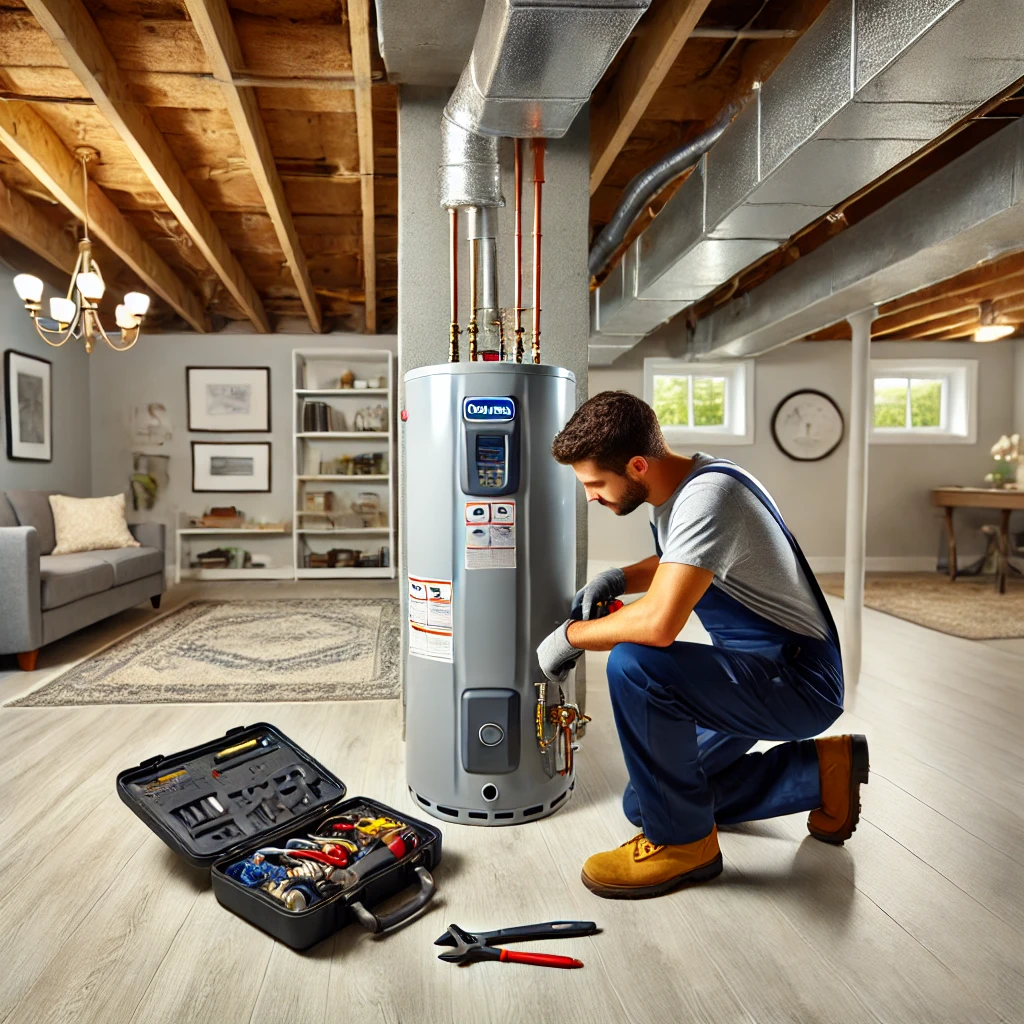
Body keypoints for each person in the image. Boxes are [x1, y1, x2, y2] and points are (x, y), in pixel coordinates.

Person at [537, 391, 868, 900]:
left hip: (796, 680)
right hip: (756, 672)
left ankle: (685, 845)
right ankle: (820, 774)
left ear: (638, 465)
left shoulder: (709, 497)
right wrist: (617, 578)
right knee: (645, 803)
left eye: (596, 484)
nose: (591, 497)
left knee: (634, 663)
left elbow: (660, 625)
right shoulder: (683, 488)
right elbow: (682, 558)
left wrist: (569, 638)